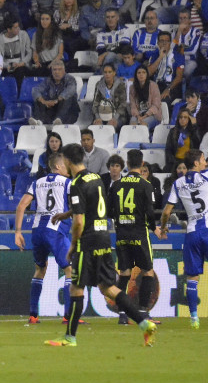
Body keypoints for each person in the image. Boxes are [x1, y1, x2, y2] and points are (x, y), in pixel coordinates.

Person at [46, 143, 156, 347]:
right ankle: (143, 323)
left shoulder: (76, 183)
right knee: (108, 287)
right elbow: (95, 206)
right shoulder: (96, 177)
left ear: (68, 161)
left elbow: (79, 222)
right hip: (103, 238)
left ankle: (70, 337)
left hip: (86, 242)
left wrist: (72, 246)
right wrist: (67, 213)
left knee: (76, 287)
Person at [13, 152, 73, 324]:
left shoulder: (36, 183)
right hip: (55, 230)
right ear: (59, 166)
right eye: (66, 165)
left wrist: (17, 232)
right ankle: (68, 316)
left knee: (40, 269)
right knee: (70, 270)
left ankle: (33, 314)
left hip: (37, 230)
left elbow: (21, 206)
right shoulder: (67, 183)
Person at [159, 149, 208, 329]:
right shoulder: (207, 175)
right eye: (203, 159)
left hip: (192, 234)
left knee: (192, 277)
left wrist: (164, 227)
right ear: (196, 163)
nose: (205, 162)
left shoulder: (178, 183)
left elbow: (166, 211)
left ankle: (194, 317)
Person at [109, 149, 160, 325]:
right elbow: (150, 212)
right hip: (139, 233)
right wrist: (154, 228)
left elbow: (109, 211)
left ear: (127, 164)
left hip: (121, 234)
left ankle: (122, 314)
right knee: (148, 272)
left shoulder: (116, 185)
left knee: (124, 273)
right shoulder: (146, 185)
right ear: (142, 163)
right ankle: (143, 313)